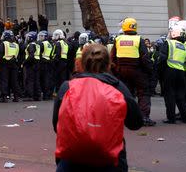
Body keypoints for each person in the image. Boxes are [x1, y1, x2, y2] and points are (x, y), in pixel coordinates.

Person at [53, 43, 143, 172]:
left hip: (72, 159)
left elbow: (57, 125)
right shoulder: (118, 87)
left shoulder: (67, 87)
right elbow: (135, 123)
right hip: (110, 160)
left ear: (82, 63)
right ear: (108, 65)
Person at [110, 17, 155, 127]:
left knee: (126, 94)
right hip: (137, 71)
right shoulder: (139, 39)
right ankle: (144, 117)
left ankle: (126, 116)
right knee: (143, 93)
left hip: (121, 71)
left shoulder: (118, 39)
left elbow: (112, 57)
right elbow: (145, 58)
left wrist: (115, 70)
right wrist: (150, 71)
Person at [158, 22, 186, 124]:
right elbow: (185, 60)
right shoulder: (185, 48)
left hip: (169, 71)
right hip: (181, 73)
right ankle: (185, 117)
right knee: (180, 96)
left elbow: (162, 58)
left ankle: (171, 118)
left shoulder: (168, 43)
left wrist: (160, 72)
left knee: (169, 96)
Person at [0, 30, 21, 102]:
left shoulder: (4, 43)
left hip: (4, 64)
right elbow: (18, 56)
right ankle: (16, 97)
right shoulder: (16, 45)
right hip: (14, 64)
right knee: (14, 81)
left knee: (4, 80)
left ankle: (4, 97)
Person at [23, 31, 41, 100]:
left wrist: (25, 62)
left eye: (28, 37)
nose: (27, 38)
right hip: (37, 63)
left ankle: (30, 96)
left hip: (31, 64)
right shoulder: (37, 45)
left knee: (30, 80)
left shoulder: (31, 45)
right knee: (36, 80)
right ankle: (37, 95)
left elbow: (31, 56)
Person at [38, 31, 54, 100]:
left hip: (43, 62)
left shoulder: (42, 43)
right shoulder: (50, 44)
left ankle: (45, 95)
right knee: (48, 79)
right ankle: (48, 94)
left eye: (42, 36)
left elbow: (39, 52)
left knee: (44, 79)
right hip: (49, 62)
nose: (40, 37)